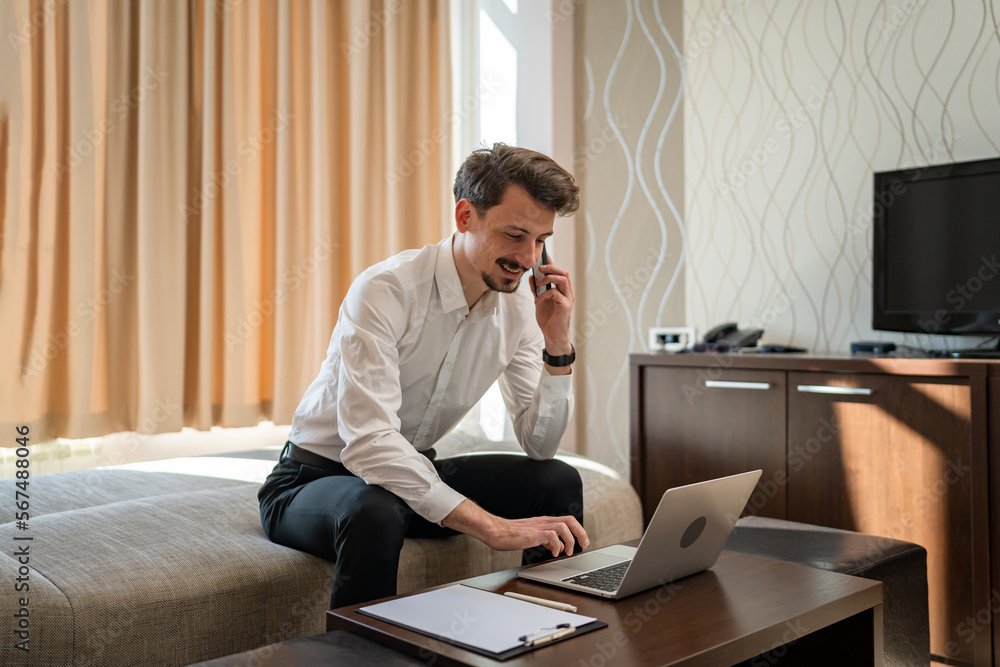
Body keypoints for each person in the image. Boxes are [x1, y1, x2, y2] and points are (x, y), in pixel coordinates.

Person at [257, 143, 589, 608]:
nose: (529, 257)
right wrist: (491, 526)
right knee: (375, 508)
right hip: (311, 482)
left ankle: (546, 622)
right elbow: (371, 442)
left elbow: (540, 444)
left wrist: (557, 345)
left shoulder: (519, 307)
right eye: (515, 235)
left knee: (555, 480)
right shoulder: (385, 291)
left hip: (409, 474)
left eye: (540, 240)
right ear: (465, 216)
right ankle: (361, 658)